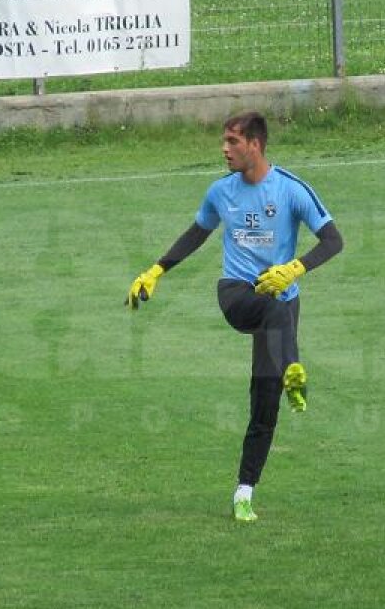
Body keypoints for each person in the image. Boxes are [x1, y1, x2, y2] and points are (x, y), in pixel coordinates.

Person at [126, 111, 344, 522]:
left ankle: (244, 492)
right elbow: (196, 233)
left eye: (232, 142)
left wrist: (295, 268)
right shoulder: (220, 192)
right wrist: (156, 271)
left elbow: (334, 240)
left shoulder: (292, 191)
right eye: (224, 141)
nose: (224, 149)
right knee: (275, 309)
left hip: (281, 299)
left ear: (255, 145)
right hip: (237, 295)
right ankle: (293, 368)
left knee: (265, 405)